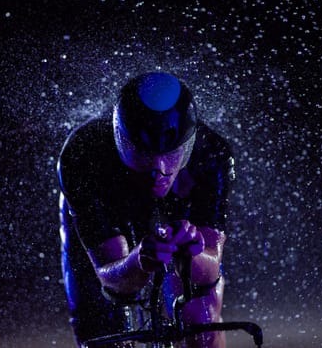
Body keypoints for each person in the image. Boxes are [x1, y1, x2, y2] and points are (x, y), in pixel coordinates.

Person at [57, 72, 235, 347]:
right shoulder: (83, 156)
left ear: (189, 145)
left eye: (172, 154)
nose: (159, 170)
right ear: (120, 141)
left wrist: (193, 255)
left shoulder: (212, 154)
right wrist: (138, 261)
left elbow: (207, 274)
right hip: (110, 206)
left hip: (172, 209)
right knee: (101, 330)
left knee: (201, 319)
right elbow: (114, 282)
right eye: (142, 153)